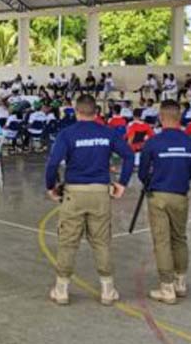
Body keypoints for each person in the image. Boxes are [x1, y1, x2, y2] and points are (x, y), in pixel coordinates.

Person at [45, 95, 134, 306]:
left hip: (74, 192)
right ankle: (107, 290)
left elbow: (53, 163)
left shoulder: (67, 134)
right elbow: (129, 155)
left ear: (76, 112)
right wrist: (122, 183)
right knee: (101, 242)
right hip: (100, 192)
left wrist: (51, 186)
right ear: (96, 112)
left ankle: (61, 290)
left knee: (68, 241)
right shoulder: (107, 133)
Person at [138, 100, 191, 304]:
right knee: (179, 238)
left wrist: (150, 181)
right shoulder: (190, 142)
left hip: (158, 196)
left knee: (162, 241)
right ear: (179, 117)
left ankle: (167, 287)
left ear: (161, 117)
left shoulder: (153, 142)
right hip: (180, 194)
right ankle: (181, 282)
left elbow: (143, 171)